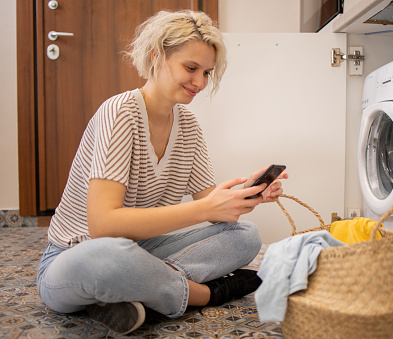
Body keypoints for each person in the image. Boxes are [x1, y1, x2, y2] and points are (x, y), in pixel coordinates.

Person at [36, 10, 288, 335]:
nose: (200, 82)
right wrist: (204, 210)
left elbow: (210, 204)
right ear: (157, 57)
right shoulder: (120, 113)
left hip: (143, 249)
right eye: (190, 68)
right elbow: (103, 226)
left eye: (207, 72)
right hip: (77, 254)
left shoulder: (189, 126)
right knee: (106, 257)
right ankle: (201, 294)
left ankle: (135, 291)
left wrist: (243, 196)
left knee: (246, 235)